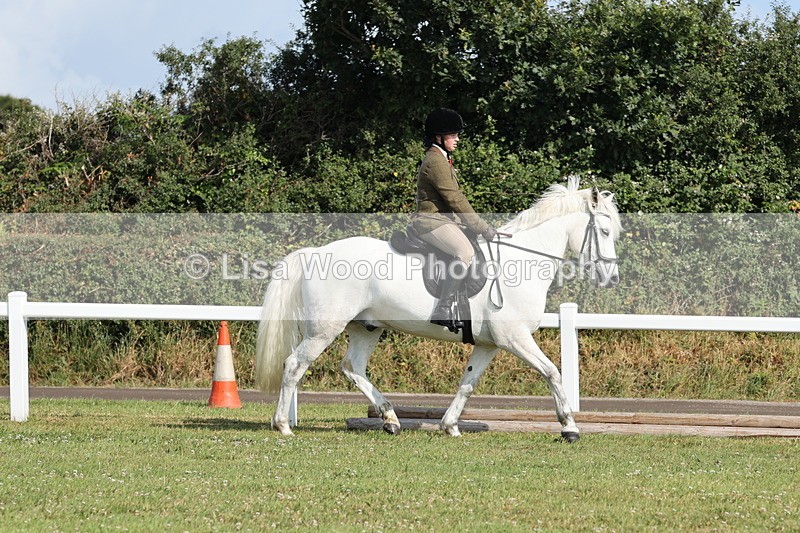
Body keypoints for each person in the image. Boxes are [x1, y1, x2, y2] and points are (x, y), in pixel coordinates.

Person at [410, 107, 497, 332]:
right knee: (465, 252)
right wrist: (481, 226)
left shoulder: (443, 158)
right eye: (453, 135)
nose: (457, 139)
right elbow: (455, 199)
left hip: (444, 221)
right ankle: (443, 307)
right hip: (431, 222)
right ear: (438, 136)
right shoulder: (435, 161)